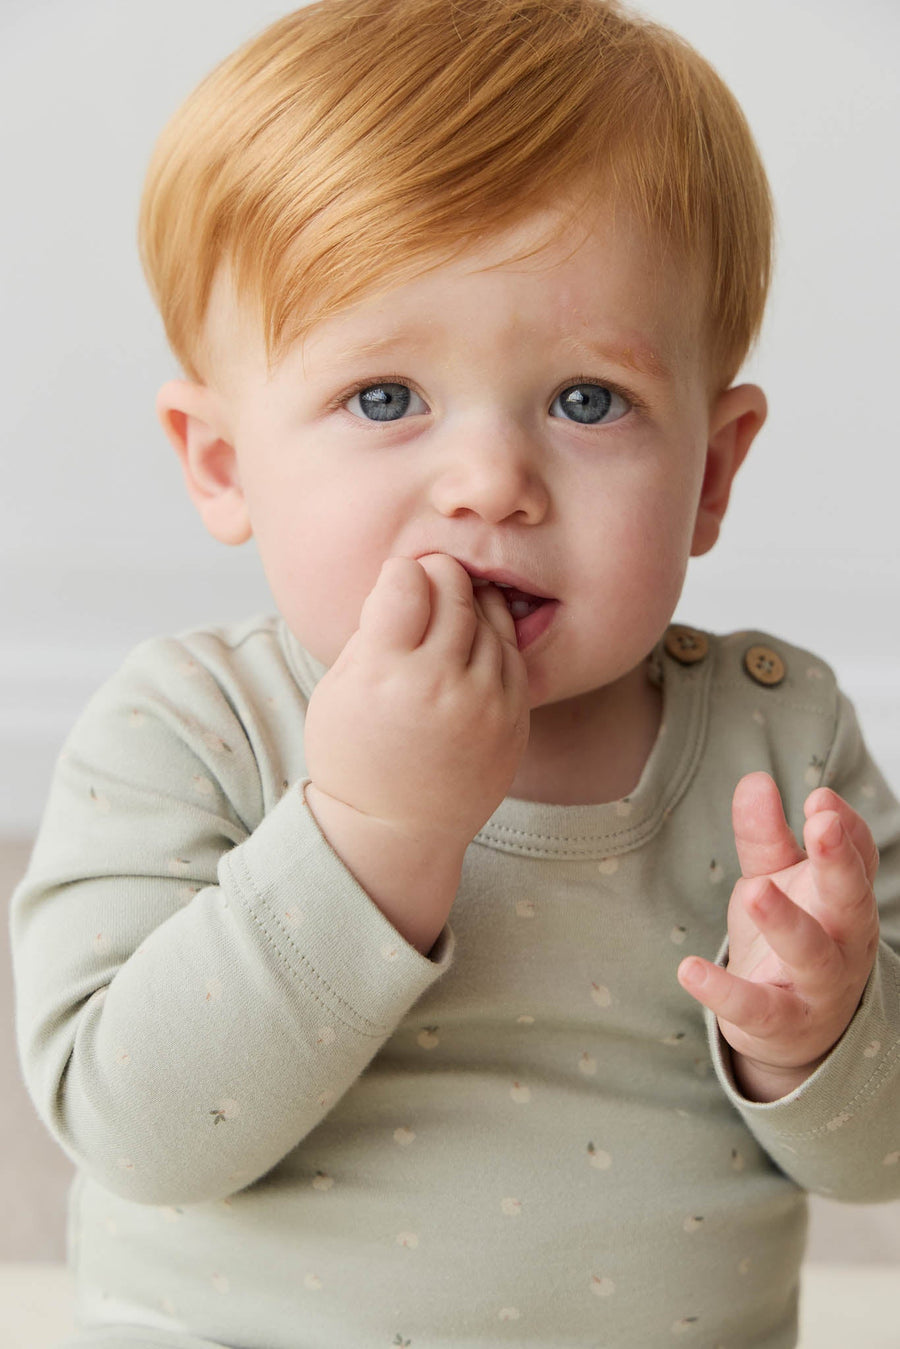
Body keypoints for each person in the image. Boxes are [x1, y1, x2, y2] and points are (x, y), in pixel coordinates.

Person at [10, 0, 900, 1345]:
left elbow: (878, 1157)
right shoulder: (194, 729)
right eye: (385, 398)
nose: (490, 483)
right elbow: (136, 1128)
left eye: (586, 401)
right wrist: (372, 834)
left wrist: (818, 1029)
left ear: (713, 472)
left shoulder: (780, 743)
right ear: (222, 461)